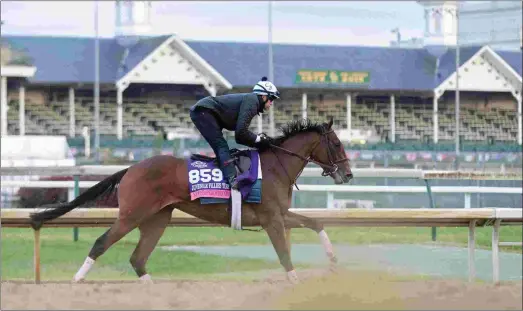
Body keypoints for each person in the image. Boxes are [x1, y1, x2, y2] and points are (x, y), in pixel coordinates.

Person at [189, 77, 280, 189]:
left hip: (205, 111)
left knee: (222, 147)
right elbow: (241, 133)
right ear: (264, 96)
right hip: (203, 111)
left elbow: (240, 137)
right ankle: (232, 181)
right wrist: (259, 140)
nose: (271, 103)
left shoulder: (252, 102)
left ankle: (225, 171)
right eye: (271, 99)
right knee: (221, 146)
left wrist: (258, 142)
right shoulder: (252, 101)